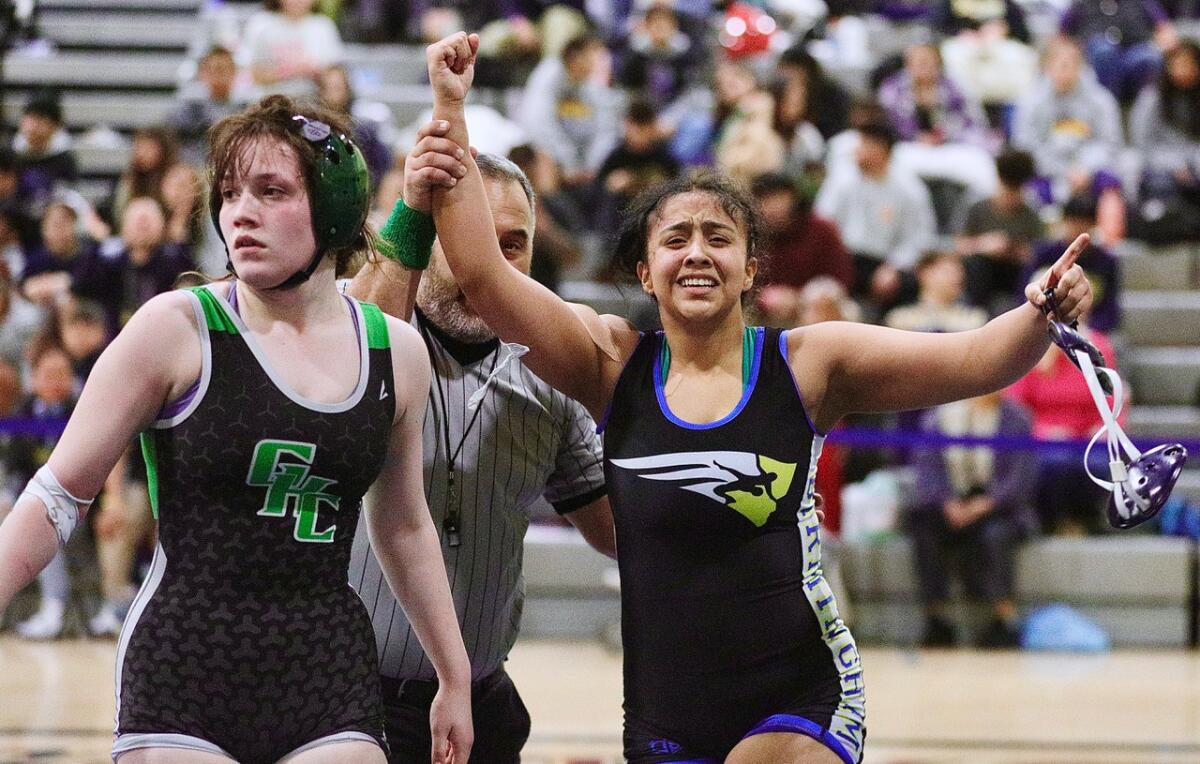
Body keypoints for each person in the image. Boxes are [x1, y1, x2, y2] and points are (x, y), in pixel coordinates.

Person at [420, 32, 1094, 764]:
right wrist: (452, 108)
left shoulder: (810, 363)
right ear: (646, 273)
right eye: (676, 239)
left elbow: (973, 359)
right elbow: (484, 278)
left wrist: (1041, 312)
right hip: (665, 713)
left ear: (750, 270)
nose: (698, 252)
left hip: (800, 697)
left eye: (719, 237)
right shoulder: (608, 364)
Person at [0, 95, 473, 763]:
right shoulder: (176, 329)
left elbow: (402, 525)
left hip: (326, 672)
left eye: (271, 190)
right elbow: (58, 495)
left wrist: (454, 677)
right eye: (228, 193)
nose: (239, 212)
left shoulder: (397, 352)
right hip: (183, 669)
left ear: (334, 210)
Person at [346, 122, 615, 764]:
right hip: (345, 699)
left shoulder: (550, 371)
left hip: (481, 703)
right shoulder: (350, 320)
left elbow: (617, 528)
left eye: (513, 245)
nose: (490, 263)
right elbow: (366, 339)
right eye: (469, 239)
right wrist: (414, 206)